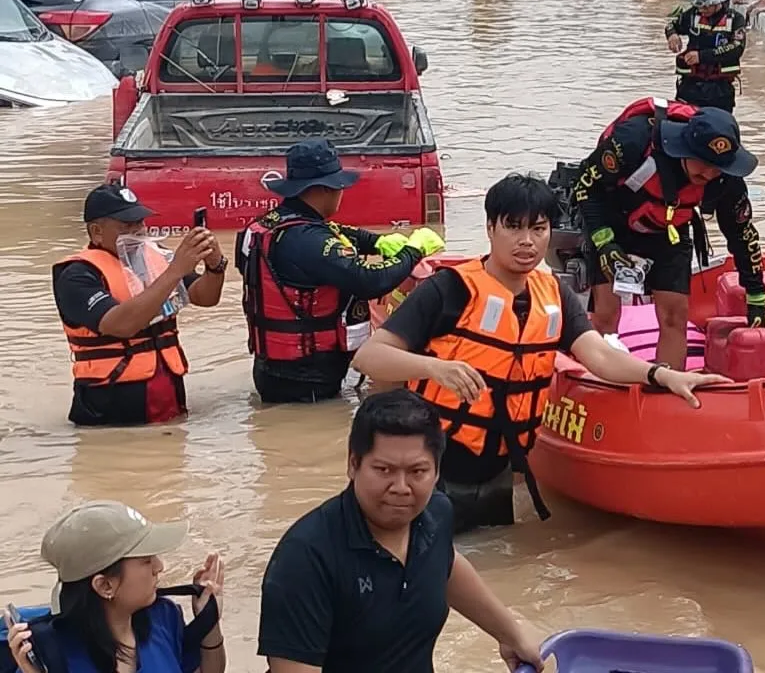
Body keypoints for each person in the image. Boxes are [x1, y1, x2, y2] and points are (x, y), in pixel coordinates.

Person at [353, 175, 729, 530]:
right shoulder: (448, 289)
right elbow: (369, 356)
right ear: (490, 229)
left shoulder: (555, 295)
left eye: (538, 228)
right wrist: (437, 369)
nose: (527, 241)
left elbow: (597, 356)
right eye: (513, 227)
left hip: (501, 469)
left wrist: (662, 374)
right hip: (429, 471)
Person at [258, 390, 545, 673]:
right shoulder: (306, 558)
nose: (401, 487)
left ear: (436, 471)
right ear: (353, 464)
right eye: (384, 470)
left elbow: (445, 565)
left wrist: (511, 635)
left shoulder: (436, 513)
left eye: (417, 472)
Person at [235, 138, 445, 405]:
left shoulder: (261, 227)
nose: (341, 193)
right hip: (308, 381)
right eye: (339, 187)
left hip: (270, 368)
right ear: (323, 189)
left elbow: (334, 234)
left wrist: (376, 242)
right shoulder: (306, 240)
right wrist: (413, 251)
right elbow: (370, 281)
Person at [572, 100, 765, 371]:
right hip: (612, 221)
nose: (709, 173)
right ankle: (602, 381)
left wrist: (757, 295)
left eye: (717, 167)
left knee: (675, 314)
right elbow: (585, 187)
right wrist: (604, 243)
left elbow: (742, 234)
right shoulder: (632, 141)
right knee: (606, 312)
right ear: (684, 149)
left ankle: (670, 385)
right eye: (702, 163)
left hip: (670, 230)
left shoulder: (725, 179)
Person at [52, 184, 226, 426]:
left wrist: (215, 265)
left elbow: (205, 298)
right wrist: (176, 270)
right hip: (110, 410)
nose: (138, 231)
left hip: (167, 396)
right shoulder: (77, 275)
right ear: (97, 231)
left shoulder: (155, 257)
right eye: (126, 226)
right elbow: (121, 325)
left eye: (140, 223)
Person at [4, 501, 224, 673]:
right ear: (104, 585)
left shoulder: (164, 617)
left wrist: (209, 618)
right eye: (146, 560)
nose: (160, 567)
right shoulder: (50, 653)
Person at [664, 0, 746, 112]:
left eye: (706, 6)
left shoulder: (735, 19)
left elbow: (737, 48)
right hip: (690, 86)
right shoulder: (692, 15)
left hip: (720, 90)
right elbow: (671, 25)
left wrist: (702, 56)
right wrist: (672, 35)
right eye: (700, 6)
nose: (702, 10)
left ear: (717, 2)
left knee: (719, 127)